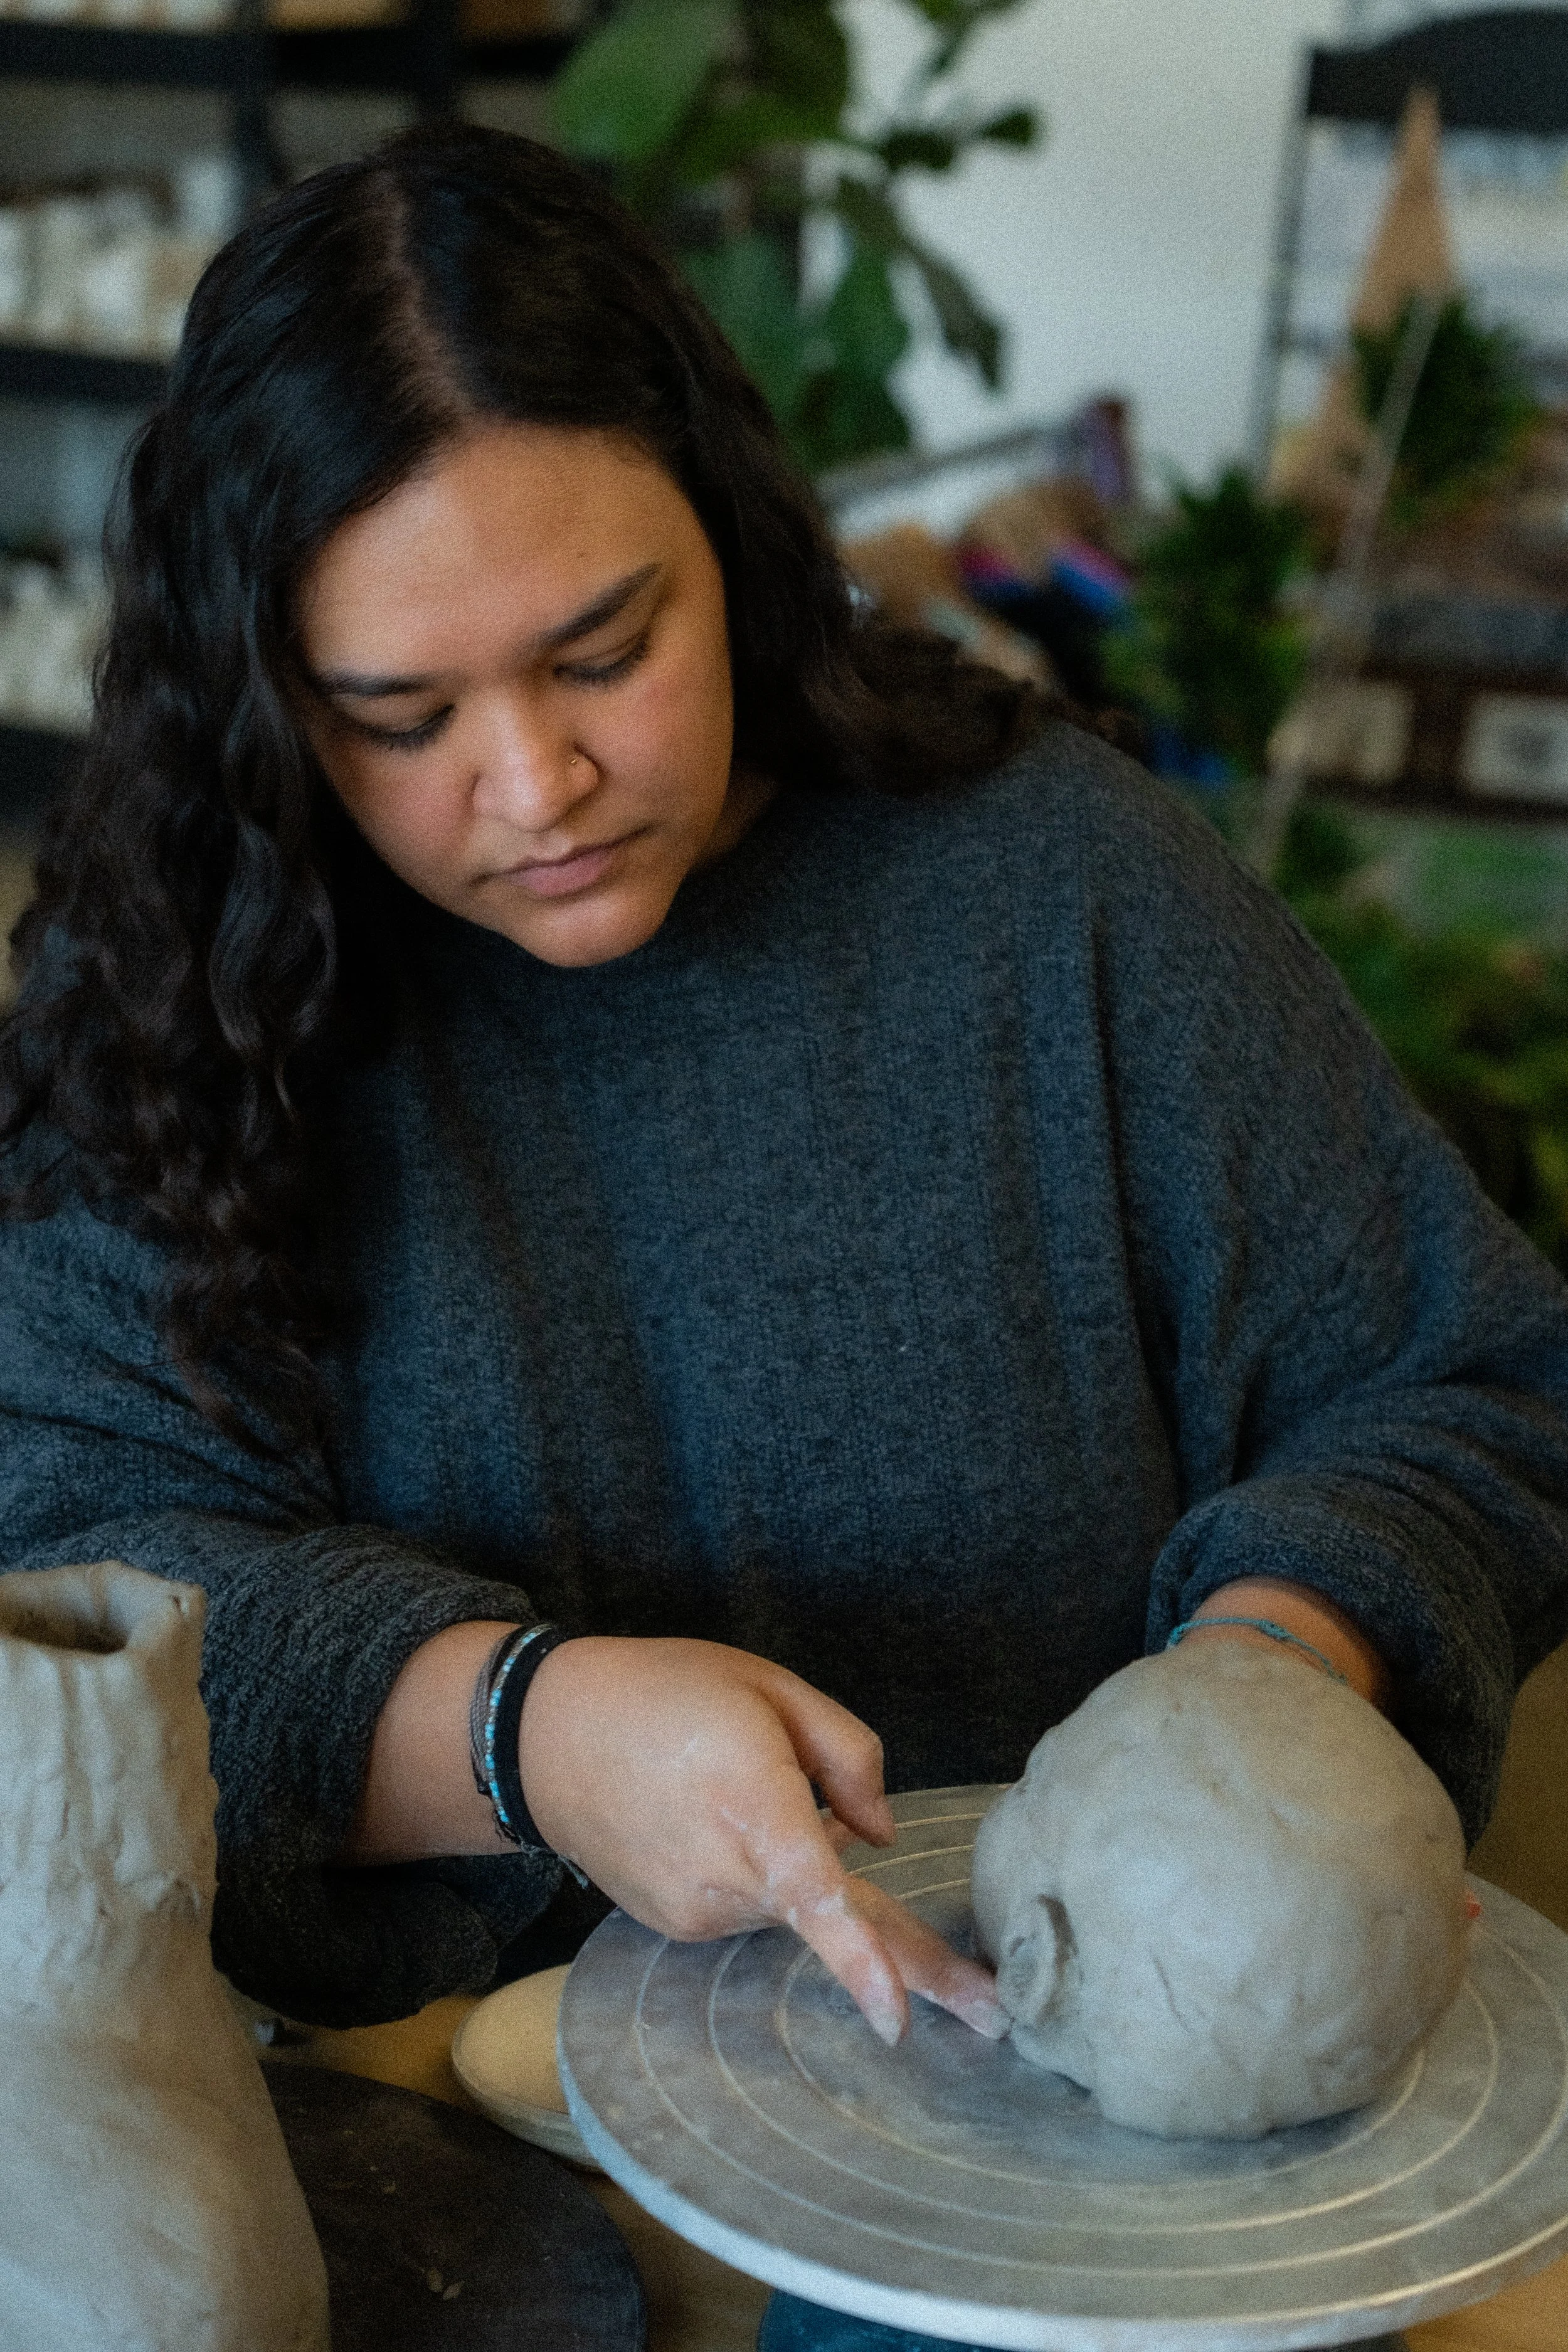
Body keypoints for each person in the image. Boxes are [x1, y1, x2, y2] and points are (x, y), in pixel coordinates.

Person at [2, 122, 1566, 2054]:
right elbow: (63, 1562)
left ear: (731, 543)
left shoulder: (1051, 889)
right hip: (441, 2145)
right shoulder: (189, 978)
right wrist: (519, 1730)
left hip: (1067, 2100)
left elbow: (1475, 1380)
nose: (532, 781)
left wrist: (1274, 1655)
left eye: (604, 649)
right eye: (399, 714)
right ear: (266, 703)